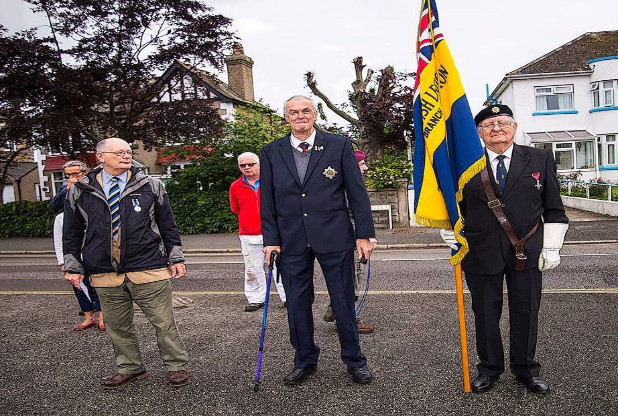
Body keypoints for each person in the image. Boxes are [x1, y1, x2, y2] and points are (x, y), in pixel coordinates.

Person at [441, 104, 568, 394]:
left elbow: (553, 207)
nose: (496, 128)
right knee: (485, 313)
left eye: (503, 123)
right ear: (479, 132)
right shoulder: (465, 164)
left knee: (526, 311)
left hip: (526, 249)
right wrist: (448, 229)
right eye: (489, 125)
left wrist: (552, 246)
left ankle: (526, 369)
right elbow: (452, 206)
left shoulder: (539, 158)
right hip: (480, 249)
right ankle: (489, 369)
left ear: (514, 127)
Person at [260, 95, 376, 385]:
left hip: (334, 236)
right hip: (290, 240)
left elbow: (357, 193)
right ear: (286, 117)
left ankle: (354, 360)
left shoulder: (339, 145)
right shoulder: (271, 152)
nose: (300, 116)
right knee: (297, 303)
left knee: (343, 301)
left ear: (315, 114)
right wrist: (270, 240)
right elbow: (267, 201)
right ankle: (304, 360)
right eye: (293, 112)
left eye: (306, 111)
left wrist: (364, 234)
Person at [63, 137, 189, 389]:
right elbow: (71, 232)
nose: (126, 156)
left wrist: (176, 256)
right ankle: (130, 367)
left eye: (128, 152)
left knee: (164, 323)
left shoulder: (150, 185)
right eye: (119, 152)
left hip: (149, 267)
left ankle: (176, 366)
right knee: (117, 327)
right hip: (104, 271)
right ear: (100, 157)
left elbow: (168, 225)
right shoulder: (81, 190)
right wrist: (73, 266)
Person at [323, 149, 377, 334]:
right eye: (361, 164)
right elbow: (350, 213)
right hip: (349, 239)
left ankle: (335, 311)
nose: (365, 168)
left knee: (347, 278)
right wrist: (363, 237)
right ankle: (346, 320)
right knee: (351, 279)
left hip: (347, 237)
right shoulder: (346, 185)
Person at [229, 151, 286, 312]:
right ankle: (256, 299)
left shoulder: (271, 182)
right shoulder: (235, 186)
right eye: (243, 165)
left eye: (251, 164)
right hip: (249, 233)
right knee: (252, 268)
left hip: (274, 232)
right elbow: (235, 208)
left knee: (280, 266)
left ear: (259, 165)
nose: (247, 167)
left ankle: (288, 297)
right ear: (239, 167)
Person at [51, 160, 104, 331]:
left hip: (94, 248)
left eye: (75, 174)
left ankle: (103, 317)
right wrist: (63, 261)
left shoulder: (94, 186)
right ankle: (88, 316)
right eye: (68, 175)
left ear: (85, 172)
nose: (72, 178)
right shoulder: (64, 193)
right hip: (74, 247)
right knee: (79, 286)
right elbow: (54, 207)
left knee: (99, 283)